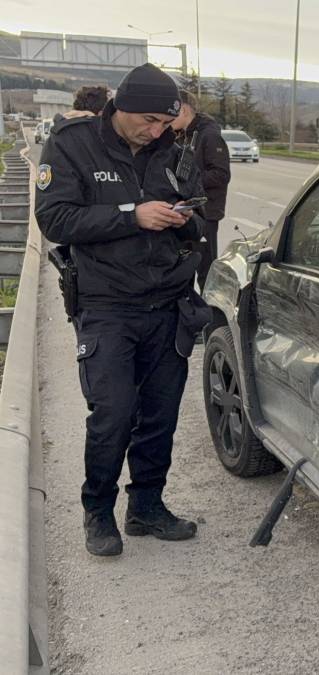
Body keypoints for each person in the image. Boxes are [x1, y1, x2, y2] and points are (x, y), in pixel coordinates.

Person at [35, 63, 211, 557]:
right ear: (122, 107)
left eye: (165, 123)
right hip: (107, 304)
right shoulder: (73, 144)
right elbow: (55, 217)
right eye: (150, 120)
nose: (156, 131)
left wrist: (184, 218)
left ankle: (147, 507)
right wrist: (131, 215)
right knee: (113, 413)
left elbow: (197, 214)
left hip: (167, 303)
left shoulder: (174, 151)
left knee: (160, 415)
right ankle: (98, 513)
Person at [170, 90, 230, 289]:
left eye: (172, 113)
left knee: (206, 271)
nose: (168, 119)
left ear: (185, 110)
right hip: (184, 213)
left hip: (206, 213)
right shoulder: (182, 136)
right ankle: (189, 314)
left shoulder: (209, 136)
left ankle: (213, 316)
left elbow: (221, 175)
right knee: (183, 268)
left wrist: (190, 182)